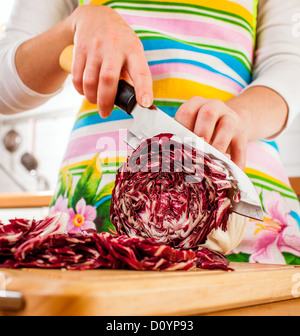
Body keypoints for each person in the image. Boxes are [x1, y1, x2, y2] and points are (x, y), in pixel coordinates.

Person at [1, 0, 300, 265]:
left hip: (247, 229)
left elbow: (288, 65)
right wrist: (75, 24)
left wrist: (238, 116)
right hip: (94, 226)